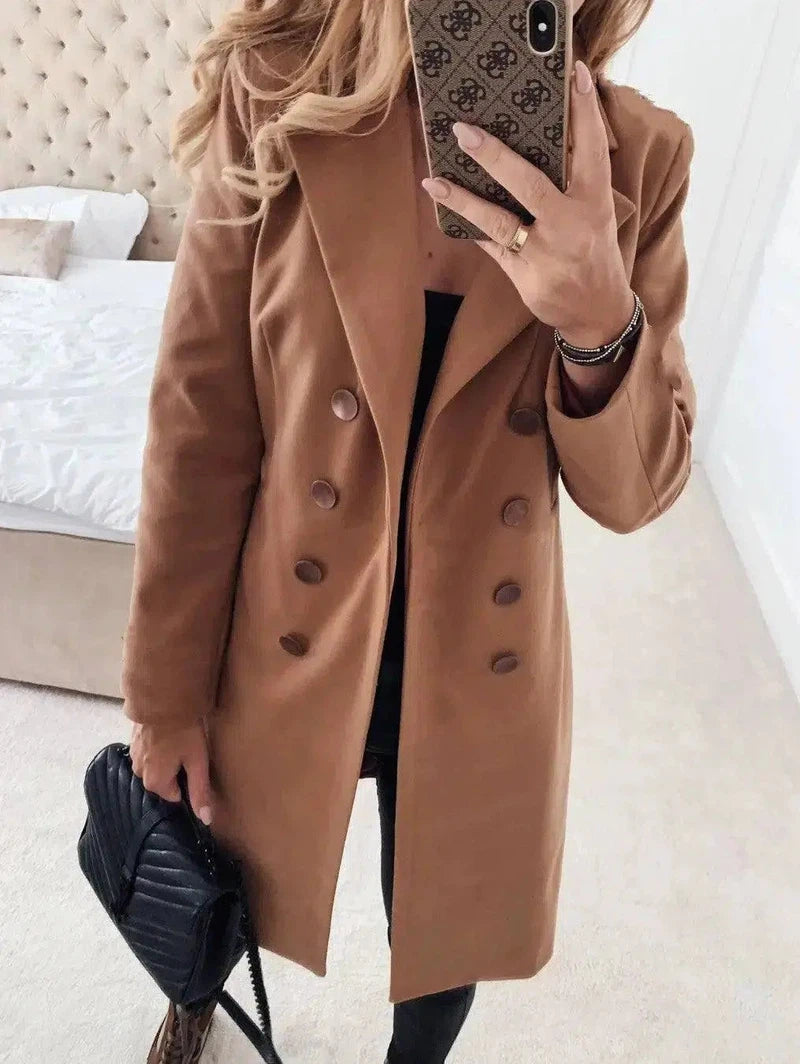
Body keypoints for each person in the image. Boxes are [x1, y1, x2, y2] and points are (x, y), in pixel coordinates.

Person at [123, 0, 697, 1059]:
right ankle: (193, 1002)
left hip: (477, 655)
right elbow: (201, 419)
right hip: (284, 625)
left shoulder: (638, 159)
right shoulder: (279, 88)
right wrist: (163, 693)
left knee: (439, 935)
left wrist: (597, 323)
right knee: (214, 870)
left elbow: (636, 492)